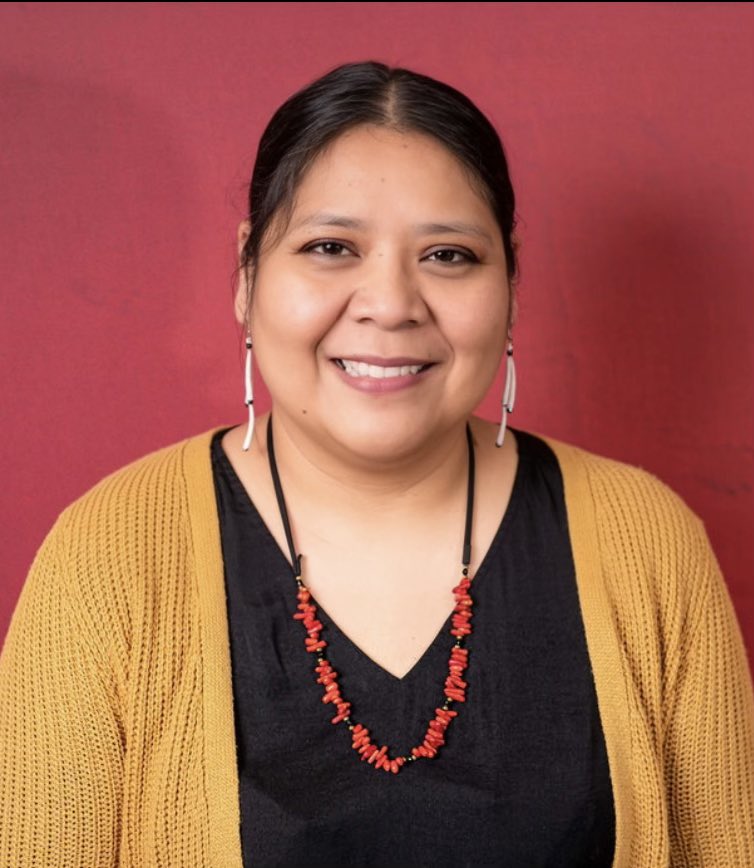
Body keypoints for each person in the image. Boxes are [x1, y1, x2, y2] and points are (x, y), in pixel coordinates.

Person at [1, 60, 752, 868]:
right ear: (248, 273)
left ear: (511, 280)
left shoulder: (649, 543)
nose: (391, 305)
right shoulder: (109, 556)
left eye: (449, 255)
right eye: (331, 247)